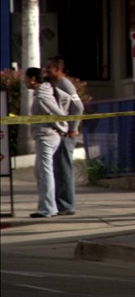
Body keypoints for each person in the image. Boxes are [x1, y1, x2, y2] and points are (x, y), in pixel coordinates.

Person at [25, 68, 71, 218]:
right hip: (46, 136)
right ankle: (47, 207)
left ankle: (48, 209)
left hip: (46, 137)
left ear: (33, 79)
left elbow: (56, 114)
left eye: (26, 78)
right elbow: (64, 101)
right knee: (40, 173)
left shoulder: (42, 97)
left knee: (45, 173)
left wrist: (61, 127)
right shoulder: (43, 93)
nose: (24, 82)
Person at [46, 55, 85, 216]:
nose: (46, 70)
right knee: (58, 170)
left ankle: (67, 205)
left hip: (66, 134)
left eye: (49, 68)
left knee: (64, 169)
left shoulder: (64, 84)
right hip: (59, 132)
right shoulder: (54, 84)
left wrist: (73, 127)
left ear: (57, 69)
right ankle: (60, 204)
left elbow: (78, 106)